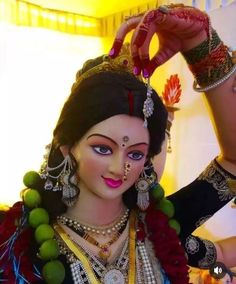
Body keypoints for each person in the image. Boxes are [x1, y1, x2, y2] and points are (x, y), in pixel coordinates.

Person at [0, 4, 236, 284]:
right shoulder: (20, 244)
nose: (119, 167)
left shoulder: (160, 227)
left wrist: (201, 46)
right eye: (102, 148)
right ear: (66, 144)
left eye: (136, 153)